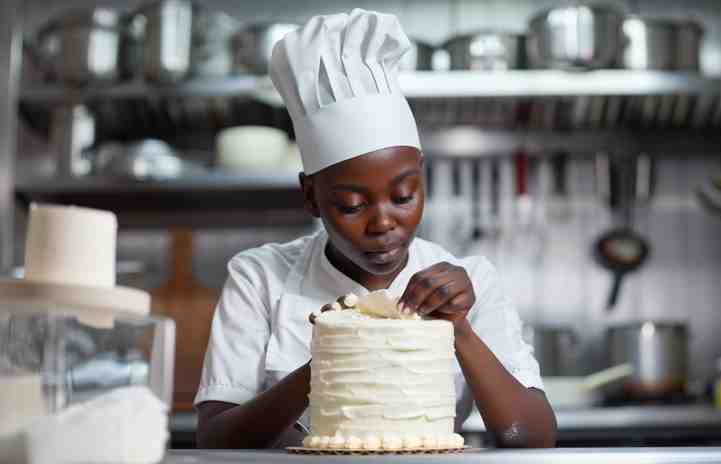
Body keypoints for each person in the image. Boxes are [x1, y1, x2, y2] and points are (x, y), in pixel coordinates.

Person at [194, 9, 556, 449]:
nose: (383, 222)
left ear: (422, 178)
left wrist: (457, 329)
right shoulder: (258, 278)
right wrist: (336, 357)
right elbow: (215, 440)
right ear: (311, 196)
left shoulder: (470, 281)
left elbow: (530, 435)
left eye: (404, 196)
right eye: (351, 204)